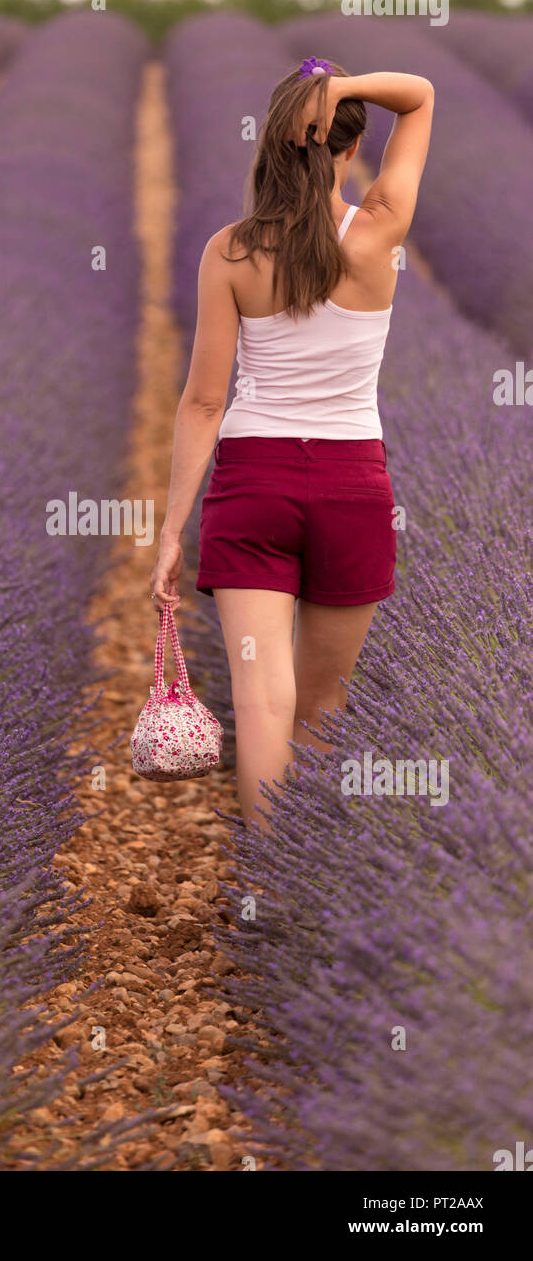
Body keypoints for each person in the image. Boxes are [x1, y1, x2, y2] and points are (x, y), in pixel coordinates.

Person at [149, 59, 434, 828]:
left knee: (261, 697)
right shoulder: (377, 233)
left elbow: (205, 399)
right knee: (321, 702)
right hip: (351, 486)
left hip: (254, 484)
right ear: (347, 147)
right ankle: (304, 872)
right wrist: (341, 89)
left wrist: (173, 529)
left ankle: (261, 893)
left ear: (271, 146)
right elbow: (421, 96)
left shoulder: (232, 251)